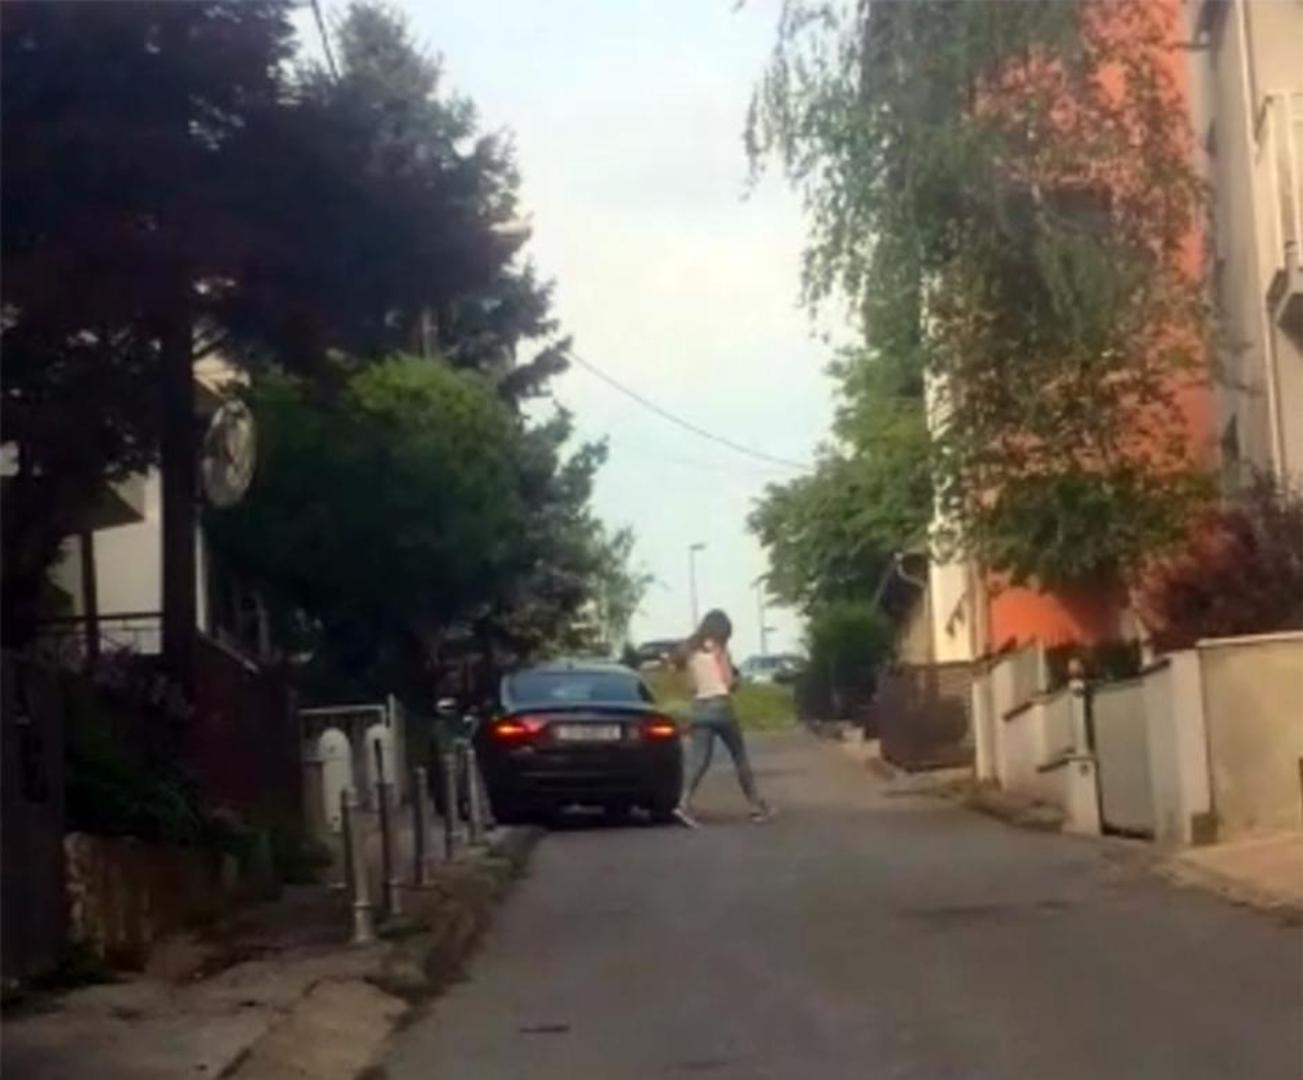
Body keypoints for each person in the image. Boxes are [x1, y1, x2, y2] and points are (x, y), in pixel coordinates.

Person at [674, 609, 774, 827]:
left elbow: (691, 685)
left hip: (700, 708)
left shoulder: (690, 651)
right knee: (739, 756)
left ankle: (683, 803)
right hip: (721, 707)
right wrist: (736, 681)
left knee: (699, 761)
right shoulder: (720, 649)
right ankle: (755, 805)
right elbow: (728, 682)